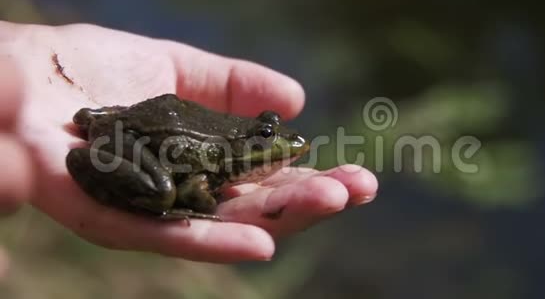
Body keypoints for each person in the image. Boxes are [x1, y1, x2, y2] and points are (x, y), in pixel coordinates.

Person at [0, 21, 378, 263]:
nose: (277, 138)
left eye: (270, 129)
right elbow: (197, 189)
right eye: (265, 135)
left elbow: (89, 116)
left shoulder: (231, 146)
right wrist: (200, 203)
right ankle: (152, 203)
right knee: (164, 193)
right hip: (130, 141)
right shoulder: (217, 165)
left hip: (121, 122)